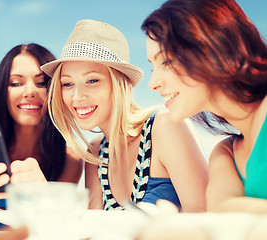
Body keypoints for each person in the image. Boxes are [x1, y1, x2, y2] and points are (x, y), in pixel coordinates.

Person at [43, 19, 208, 211]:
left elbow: (208, 221)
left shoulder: (164, 126)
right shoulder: (96, 153)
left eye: (92, 80)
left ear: (121, 83)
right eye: (67, 84)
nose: (77, 97)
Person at [137, 0, 267, 239]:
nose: (152, 83)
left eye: (165, 61)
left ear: (211, 47)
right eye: (153, 66)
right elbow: (221, 213)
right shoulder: (225, 153)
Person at [0, 43, 83, 231]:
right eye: (16, 83)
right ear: (3, 91)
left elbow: (56, 229)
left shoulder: (71, 159)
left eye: (41, 83)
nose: (30, 92)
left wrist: (44, 194)